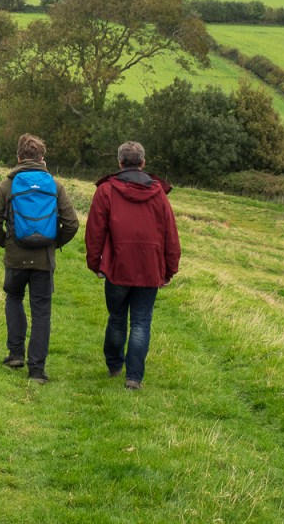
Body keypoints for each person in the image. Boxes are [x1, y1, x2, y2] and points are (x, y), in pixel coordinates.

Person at [0, 133, 79, 384]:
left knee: (14, 299)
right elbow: (71, 223)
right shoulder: (55, 186)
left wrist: (6, 242)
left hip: (15, 258)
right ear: (42, 158)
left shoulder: (8, 185)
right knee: (41, 313)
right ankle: (37, 370)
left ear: (18, 157)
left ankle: (16, 354)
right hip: (43, 261)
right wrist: (55, 242)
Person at [84, 141, 180, 390]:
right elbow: (171, 233)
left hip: (117, 265)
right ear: (143, 162)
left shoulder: (106, 190)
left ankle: (115, 366)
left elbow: (95, 231)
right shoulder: (158, 193)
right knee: (141, 321)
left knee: (117, 317)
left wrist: (95, 263)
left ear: (120, 162)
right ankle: (133, 377)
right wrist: (169, 268)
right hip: (149, 267)